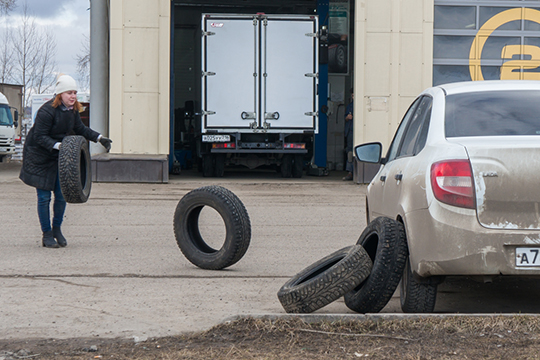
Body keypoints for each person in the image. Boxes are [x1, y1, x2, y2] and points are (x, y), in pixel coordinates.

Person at [19, 74, 112, 248]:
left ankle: (57, 229)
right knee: (44, 197)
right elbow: (39, 137)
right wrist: (58, 146)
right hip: (39, 156)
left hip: (59, 156)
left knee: (61, 196)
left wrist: (99, 138)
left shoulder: (73, 111)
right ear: (60, 94)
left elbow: (80, 128)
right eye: (69, 92)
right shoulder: (47, 112)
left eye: (75, 92)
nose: (73, 96)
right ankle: (46, 235)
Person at [343, 89, 354, 181]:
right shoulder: (350, 106)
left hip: (357, 131)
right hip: (350, 132)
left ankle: (355, 172)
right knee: (349, 152)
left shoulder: (360, 105)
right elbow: (345, 117)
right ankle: (350, 172)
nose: (353, 97)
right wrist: (347, 117)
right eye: (352, 96)